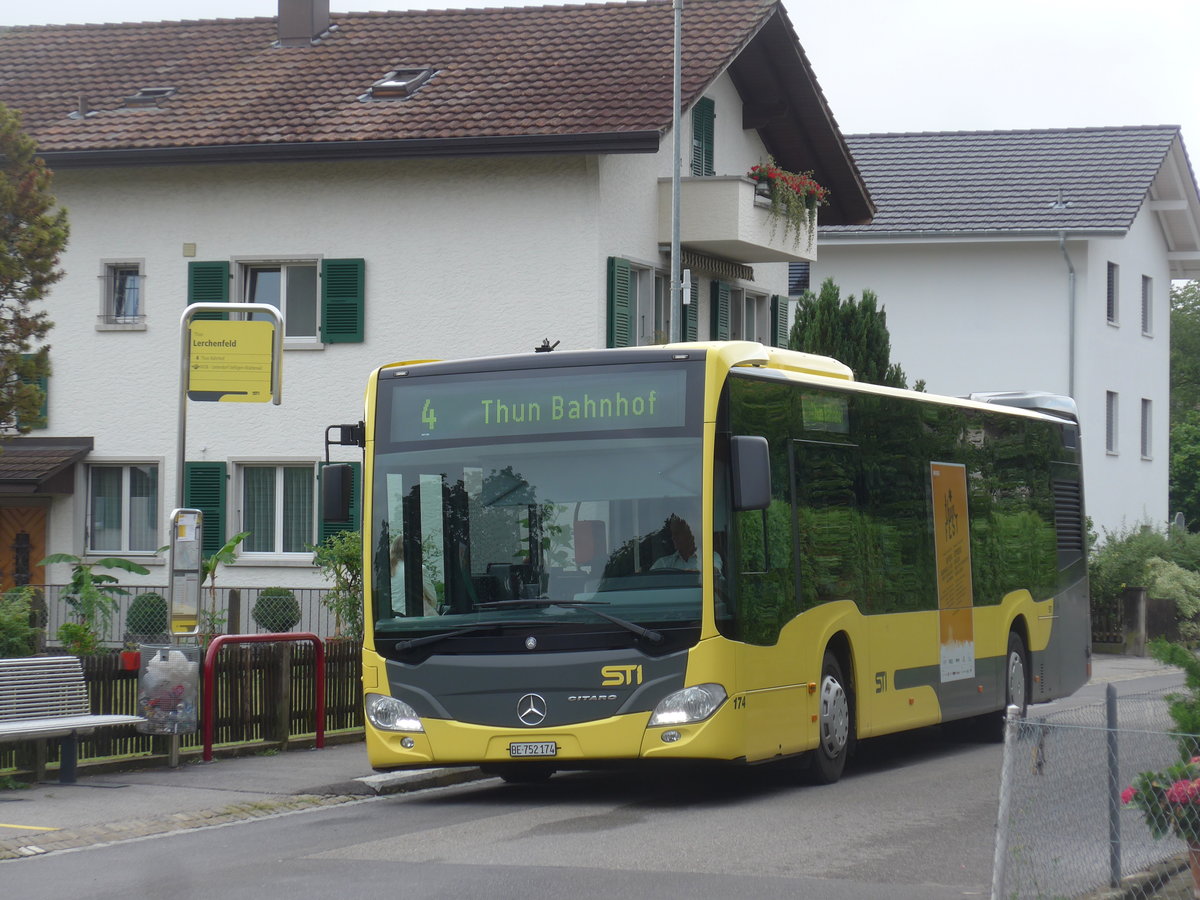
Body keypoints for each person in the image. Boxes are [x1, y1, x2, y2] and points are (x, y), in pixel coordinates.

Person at [651, 514, 721, 572]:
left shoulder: (710, 557)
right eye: (672, 534)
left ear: (690, 534)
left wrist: (694, 574)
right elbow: (648, 579)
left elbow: (714, 574)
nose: (673, 538)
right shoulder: (663, 563)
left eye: (677, 534)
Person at [391, 534, 439, 616]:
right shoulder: (418, 569)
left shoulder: (387, 571)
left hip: (393, 621)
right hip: (413, 621)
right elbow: (433, 599)